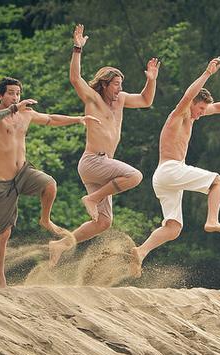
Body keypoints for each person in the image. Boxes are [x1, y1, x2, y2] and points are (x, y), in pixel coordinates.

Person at [130, 57, 220, 277]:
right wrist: (207, 73)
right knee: (219, 182)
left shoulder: (192, 117)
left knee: (173, 228)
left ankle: (140, 252)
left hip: (165, 177)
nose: (202, 113)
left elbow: (219, 107)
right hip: (170, 170)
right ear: (193, 103)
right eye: (200, 108)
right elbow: (188, 96)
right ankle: (212, 219)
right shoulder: (179, 114)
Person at [48, 24, 160, 268]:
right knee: (135, 176)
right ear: (105, 84)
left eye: (121, 84)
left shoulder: (120, 101)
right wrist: (77, 48)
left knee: (103, 222)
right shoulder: (93, 99)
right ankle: (91, 199)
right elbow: (75, 79)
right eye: (116, 84)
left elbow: (145, 100)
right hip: (93, 161)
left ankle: (62, 244)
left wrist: (151, 79)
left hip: (103, 165)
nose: (119, 88)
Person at [0, 76, 99, 288]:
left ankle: (45, 219)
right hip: (2, 182)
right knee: (4, 232)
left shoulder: (25, 114)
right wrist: (13, 108)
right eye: (10, 93)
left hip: (24, 172)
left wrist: (78, 119)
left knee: (50, 184)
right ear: (1, 95)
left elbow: (51, 119)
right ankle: (0, 279)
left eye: (17, 93)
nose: (15, 96)